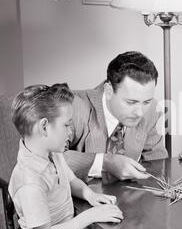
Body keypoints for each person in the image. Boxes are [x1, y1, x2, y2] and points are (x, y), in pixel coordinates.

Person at [7, 84, 123, 229]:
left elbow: (71, 181)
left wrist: (90, 195)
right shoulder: (30, 182)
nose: (71, 132)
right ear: (44, 127)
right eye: (67, 125)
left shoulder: (53, 153)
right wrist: (91, 216)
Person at [64, 51, 168, 182]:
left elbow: (156, 164)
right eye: (131, 102)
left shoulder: (153, 110)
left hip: (129, 198)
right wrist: (105, 162)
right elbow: (48, 157)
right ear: (108, 91)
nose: (140, 113)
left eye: (146, 102)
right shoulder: (72, 107)